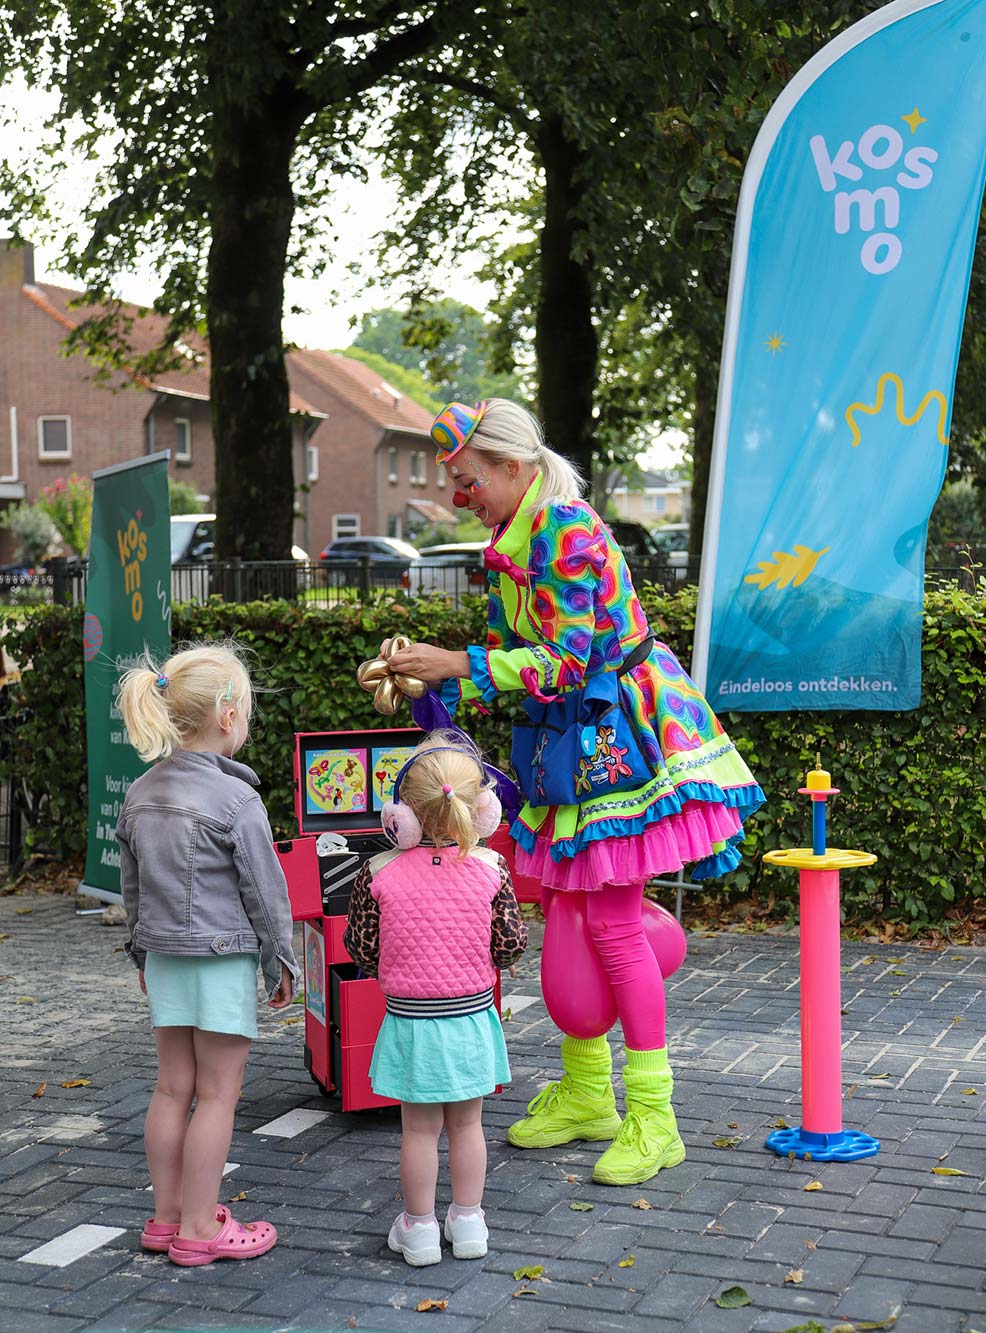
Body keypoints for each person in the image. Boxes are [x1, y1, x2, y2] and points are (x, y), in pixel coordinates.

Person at [382, 398, 764, 1187]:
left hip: (614, 735)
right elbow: (510, 656)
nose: (460, 495)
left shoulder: (567, 533)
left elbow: (566, 659)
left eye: (467, 479)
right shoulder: (511, 539)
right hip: (565, 742)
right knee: (564, 909)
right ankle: (590, 1091)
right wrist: (432, 683)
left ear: (513, 468)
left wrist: (457, 664)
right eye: (456, 481)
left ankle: (653, 1116)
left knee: (613, 921)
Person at [115, 641, 300, 1267]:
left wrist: (142, 954)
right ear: (228, 716)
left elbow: (131, 889)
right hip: (221, 958)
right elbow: (265, 890)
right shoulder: (237, 801)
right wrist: (283, 961)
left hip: (164, 956)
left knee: (172, 1089)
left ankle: (166, 1218)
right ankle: (201, 1227)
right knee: (218, 1095)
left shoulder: (140, 793)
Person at [344, 729, 528, 1267]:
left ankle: (419, 1228)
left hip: (409, 1021)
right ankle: (469, 1221)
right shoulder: (492, 869)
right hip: (471, 1017)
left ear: (399, 814)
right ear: (483, 809)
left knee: (418, 1132)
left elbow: (362, 946)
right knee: (468, 1124)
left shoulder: (376, 871)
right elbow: (511, 943)